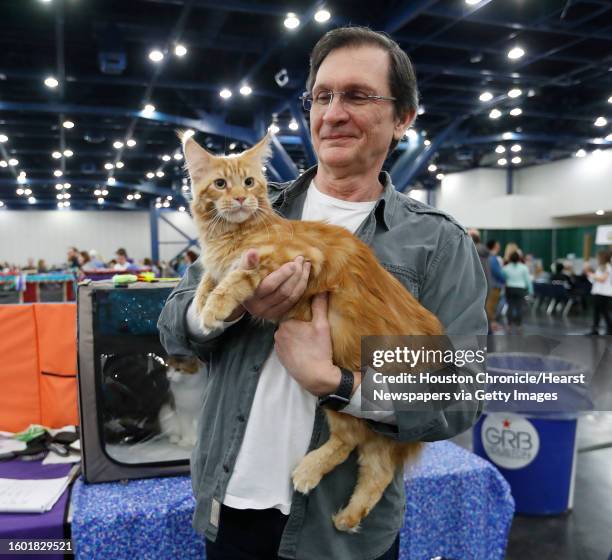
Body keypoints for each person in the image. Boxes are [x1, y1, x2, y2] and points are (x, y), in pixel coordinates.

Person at [158, 26, 487, 560]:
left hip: (340, 539)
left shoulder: (436, 242)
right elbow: (174, 329)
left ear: (403, 118)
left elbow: (457, 394)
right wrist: (226, 310)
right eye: (322, 96)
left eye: (357, 96)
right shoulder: (249, 212)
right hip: (230, 509)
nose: (333, 113)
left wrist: (337, 384)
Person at [503, 251, 533, 334]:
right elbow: (528, 280)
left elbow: (503, 278)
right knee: (519, 307)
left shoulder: (506, 268)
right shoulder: (524, 267)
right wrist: (530, 290)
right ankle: (519, 325)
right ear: (519, 258)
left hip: (509, 288)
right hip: (520, 289)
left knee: (510, 306)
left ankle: (509, 325)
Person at [587, 251, 612, 335]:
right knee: (596, 311)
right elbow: (597, 279)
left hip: (604, 293)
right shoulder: (600, 267)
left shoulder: (608, 267)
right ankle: (595, 329)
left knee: (604, 311)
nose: (597, 259)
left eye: (598, 257)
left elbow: (603, 279)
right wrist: (591, 275)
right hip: (597, 292)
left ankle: (610, 328)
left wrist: (592, 275)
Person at [486, 239, 505, 332]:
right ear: (494, 246)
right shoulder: (492, 258)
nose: (499, 246)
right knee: (491, 306)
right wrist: (504, 279)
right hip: (494, 285)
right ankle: (491, 325)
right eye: (498, 245)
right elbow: (498, 272)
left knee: (490, 306)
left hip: (491, 284)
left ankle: (491, 324)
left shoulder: (489, 257)